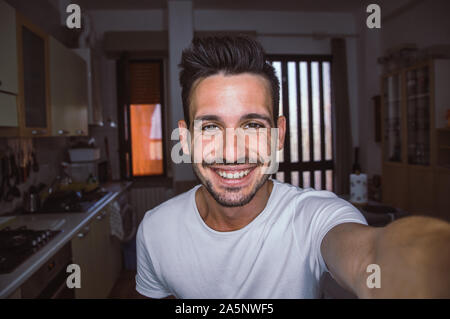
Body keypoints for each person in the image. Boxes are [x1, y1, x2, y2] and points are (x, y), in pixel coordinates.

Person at [135, 36, 450, 299]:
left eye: (253, 125)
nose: (232, 151)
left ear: (279, 135)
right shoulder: (156, 230)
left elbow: (366, 256)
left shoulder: (315, 217)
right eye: (210, 127)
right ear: (186, 139)